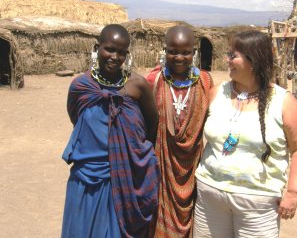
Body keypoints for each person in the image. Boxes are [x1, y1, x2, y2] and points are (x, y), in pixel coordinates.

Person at [194, 30, 297, 237]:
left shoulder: (283, 102)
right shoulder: (217, 93)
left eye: (232, 55)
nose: (226, 60)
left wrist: (292, 193)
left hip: (258, 205)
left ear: (253, 61)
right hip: (209, 197)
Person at [61, 24, 160, 238]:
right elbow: (77, 119)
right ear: (97, 48)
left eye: (122, 52)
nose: (115, 57)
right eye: (109, 49)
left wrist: (133, 153)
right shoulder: (81, 87)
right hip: (86, 176)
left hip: (123, 176)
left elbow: (152, 123)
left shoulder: (138, 85)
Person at [146, 25, 213, 237]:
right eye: (173, 51)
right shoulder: (153, 81)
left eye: (185, 52)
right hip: (161, 166)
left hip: (193, 166)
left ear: (194, 53)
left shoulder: (205, 81)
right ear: (165, 51)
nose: (179, 57)